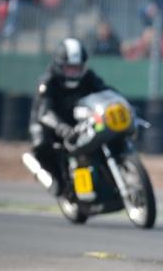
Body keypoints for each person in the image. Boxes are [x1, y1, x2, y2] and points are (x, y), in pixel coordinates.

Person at [28, 38, 112, 196]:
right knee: (41, 144)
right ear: (60, 66)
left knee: (103, 132)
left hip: (77, 120)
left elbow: (105, 91)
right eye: (69, 68)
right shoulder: (48, 82)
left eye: (77, 68)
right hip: (49, 124)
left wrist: (119, 104)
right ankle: (55, 178)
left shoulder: (88, 77)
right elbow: (45, 113)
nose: (74, 72)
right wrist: (62, 128)